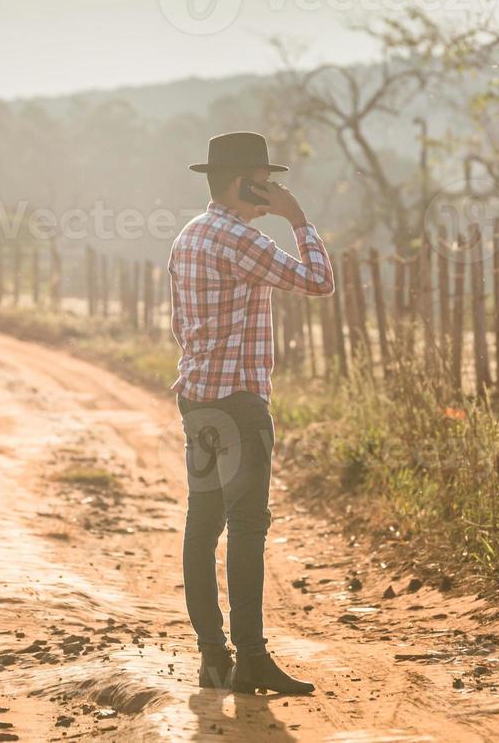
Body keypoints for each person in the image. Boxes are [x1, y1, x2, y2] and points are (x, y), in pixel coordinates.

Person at [168, 131, 334, 695]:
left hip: (197, 401)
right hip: (239, 405)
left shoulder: (189, 237)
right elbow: (318, 280)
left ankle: (213, 657)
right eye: (266, 181)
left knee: (202, 524)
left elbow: (179, 328)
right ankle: (254, 659)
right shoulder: (241, 240)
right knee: (246, 528)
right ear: (245, 183)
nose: (272, 189)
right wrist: (297, 218)